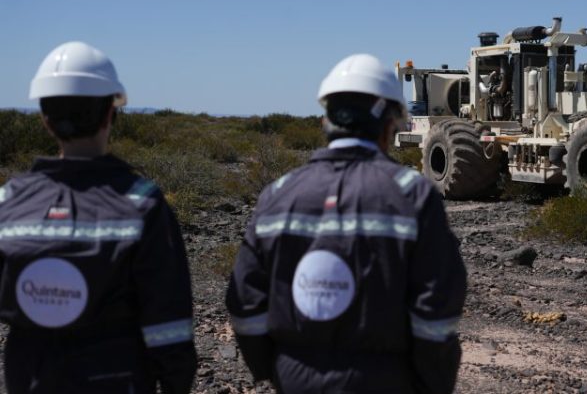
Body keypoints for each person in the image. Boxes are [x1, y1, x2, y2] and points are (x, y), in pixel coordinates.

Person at [226, 54, 467, 393]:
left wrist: (272, 366)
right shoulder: (413, 195)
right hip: (386, 382)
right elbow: (437, 307)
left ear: (326, 121)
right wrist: (431, 382)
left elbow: (245, 300)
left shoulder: (277, 195)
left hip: (294, 378)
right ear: (389, 123)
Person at [0, 42, 197, 393]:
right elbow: (167, 321)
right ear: (110, 114)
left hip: (29, 380)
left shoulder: (9, 203)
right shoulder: (141, 205)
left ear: (46, 120)